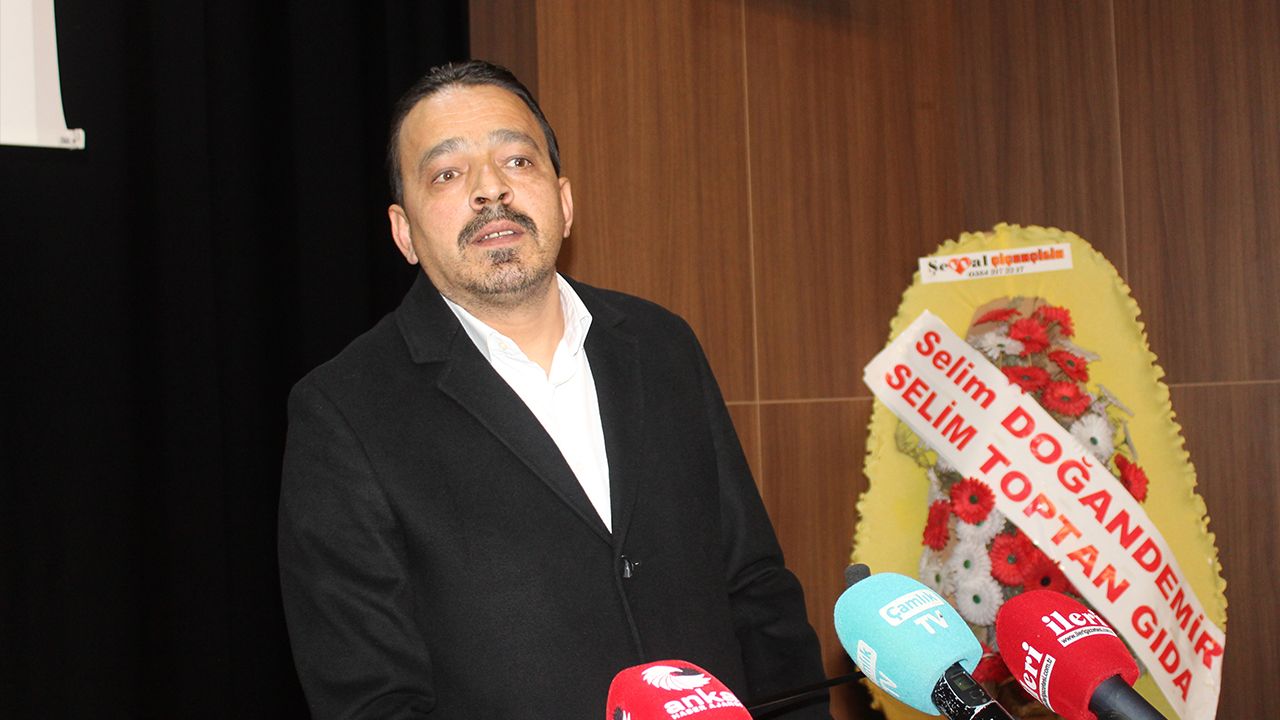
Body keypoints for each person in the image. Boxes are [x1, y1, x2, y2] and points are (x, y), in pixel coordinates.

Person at [279, 59, 830, 719]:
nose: (491, 189)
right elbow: (371, 699)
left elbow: (755, 589)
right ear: (404, 232)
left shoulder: (661, 345)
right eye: (448, 173)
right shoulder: (345, 410)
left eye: (517, 161)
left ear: (564, 202)